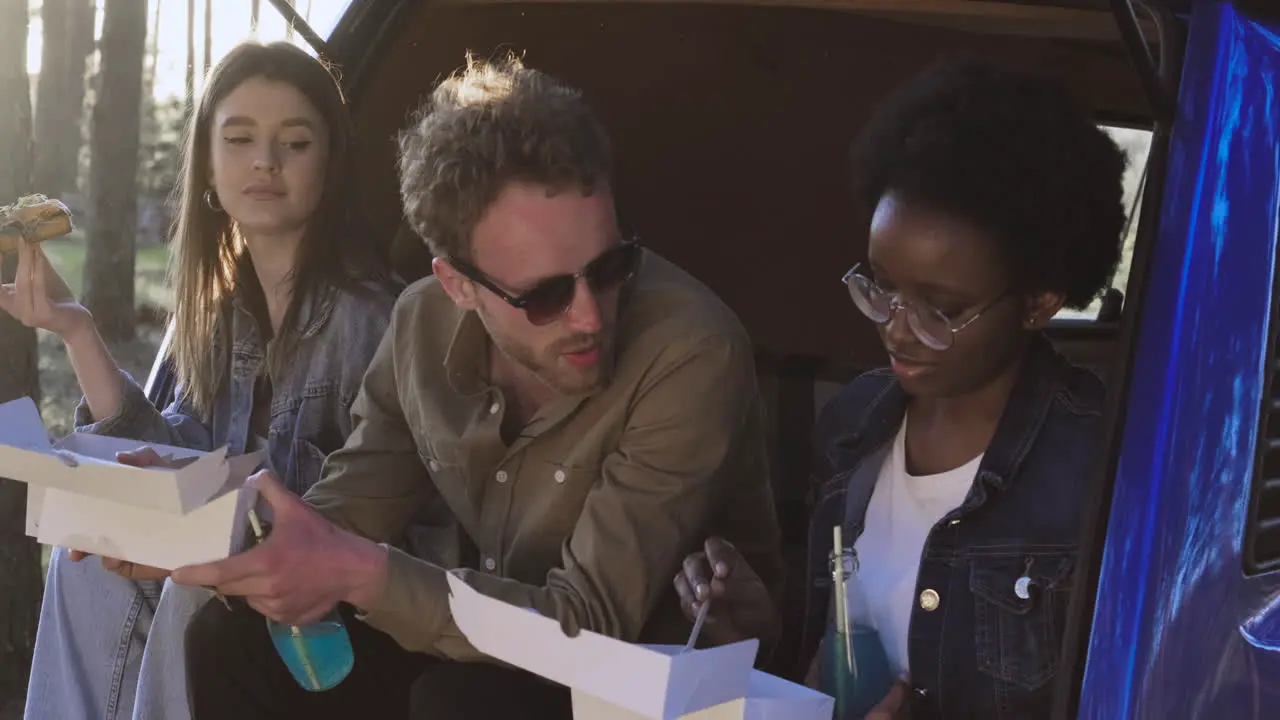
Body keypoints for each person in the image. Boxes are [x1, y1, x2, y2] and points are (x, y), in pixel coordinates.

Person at [171, 55, 785, 719]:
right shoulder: (419, 324)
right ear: (457, 284)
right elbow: (341, 516)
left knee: (461, 702)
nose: (590, 316)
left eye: (612, 268)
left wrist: (366, 573)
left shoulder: (691, 350)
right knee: (227, 642)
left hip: (639, 680)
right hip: (480, 647)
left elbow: (590, 625)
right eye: (544, 294)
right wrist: (166, 523)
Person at [674, 57, 1127, 720]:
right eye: (881, 286)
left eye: (939, 309)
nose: (896, 328)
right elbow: (833, 663)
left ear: (1038, 303)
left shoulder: (1101, 470)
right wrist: (758, 625)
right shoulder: (853, 427)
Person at [10, 42, 400, 720]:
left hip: (328, 622)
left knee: (199, 576)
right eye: (240, 137)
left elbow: (385, 520)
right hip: (224, 577)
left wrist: (216, 532)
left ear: (330, 164)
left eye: (295, 143)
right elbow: (174, 449)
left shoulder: (378, 318)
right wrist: (76, 329)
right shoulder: (216, 313)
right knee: (85, 561)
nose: (265, 162)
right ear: (209, 169)